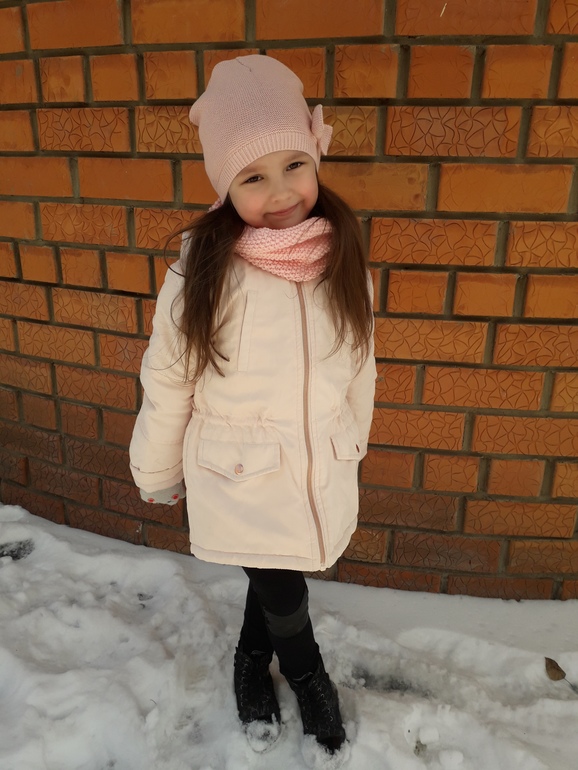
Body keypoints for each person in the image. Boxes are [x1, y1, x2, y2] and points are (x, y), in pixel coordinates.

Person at [129, 55, 376, 765]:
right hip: (239, 473)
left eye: (293, 165)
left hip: (314, 462)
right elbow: (169, 378)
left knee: (273, 571)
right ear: (224, 186)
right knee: (281, 585)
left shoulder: (341, 254)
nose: (280, 192)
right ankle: (305, 672)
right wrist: (157, 468)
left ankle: (248, 656)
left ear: (315, 157)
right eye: (252, 177)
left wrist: (352, 438)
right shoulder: (205, 271)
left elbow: (361, 361)